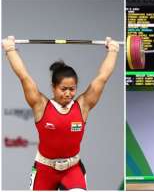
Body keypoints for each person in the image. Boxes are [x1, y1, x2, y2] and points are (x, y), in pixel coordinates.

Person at [2, 36, 119, 190]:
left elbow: (102, 77)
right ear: (53, 87)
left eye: (72, 89)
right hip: (44, 170)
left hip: (72, 170)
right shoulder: (40, 105)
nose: (68, 93)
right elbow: (24, 76)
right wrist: (10, 49)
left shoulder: (82, 106)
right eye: (63, 89)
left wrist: (113, 50)